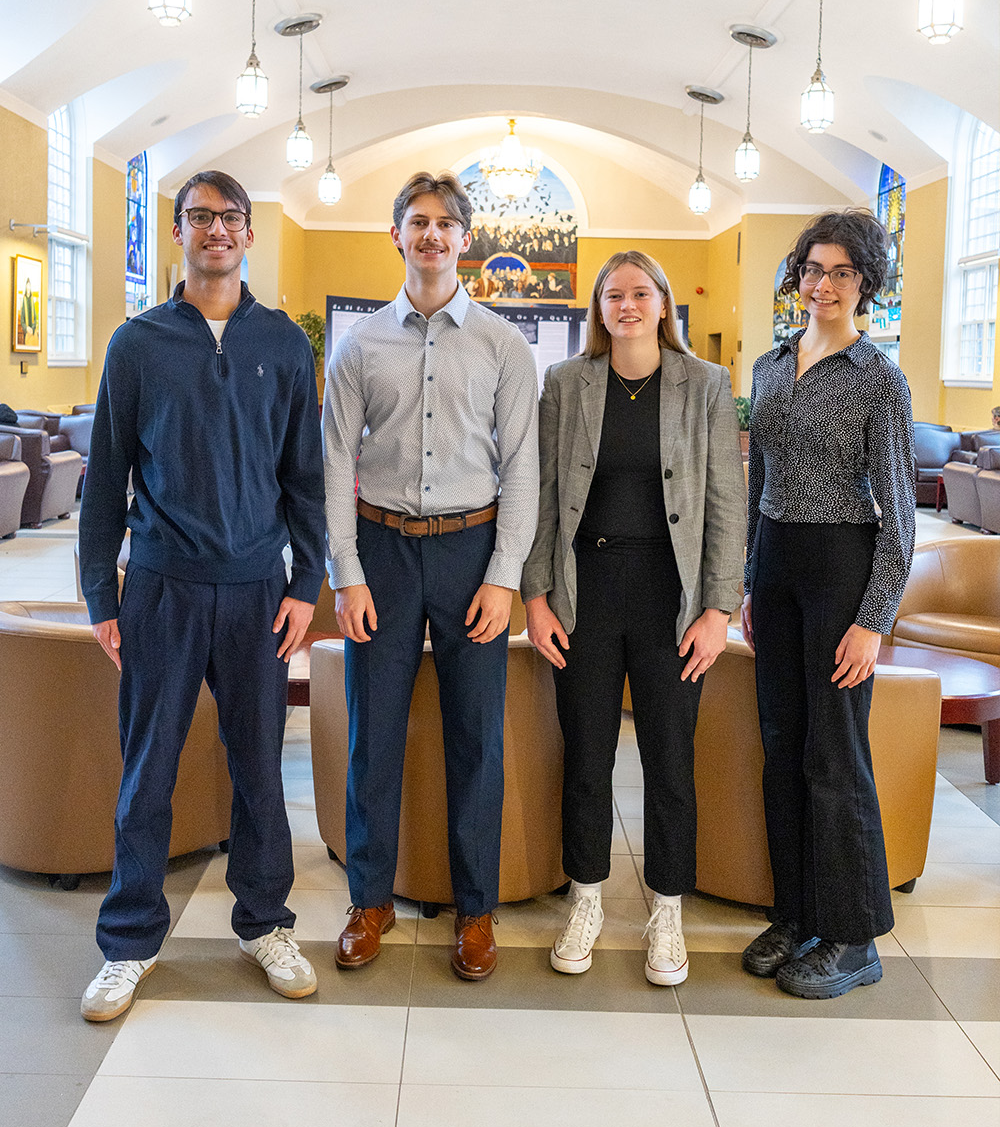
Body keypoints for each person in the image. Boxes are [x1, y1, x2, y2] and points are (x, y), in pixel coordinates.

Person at [78, 170, 326, 1022]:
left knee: (260, 771)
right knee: (147, 773)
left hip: (257, 591)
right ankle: (129, 941)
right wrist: (97, 595)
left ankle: (265, 923)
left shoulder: (286, 346)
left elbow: (306, 482)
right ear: (180, 231)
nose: (216, 230)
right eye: (199, 217)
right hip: (160, 591)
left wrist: (307, 584)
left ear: (250, 234)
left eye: (230, 218)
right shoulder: (137, 345)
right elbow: (106, 480)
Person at [324, 171, 539, 980]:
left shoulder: (501, 345)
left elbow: (522, 467)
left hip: (470, 555)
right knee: (372, 731)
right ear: (397, 236)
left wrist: (504, 575)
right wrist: (347, 572)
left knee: (476, 738)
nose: (432, 236)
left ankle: (475, 910)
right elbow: (335, 459)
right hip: (380, 551)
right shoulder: (359, 347)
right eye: (418, 222)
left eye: (447, 223)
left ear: (466, 238)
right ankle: (369, 899)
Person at [521, 251, 746, 984]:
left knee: (669, 760)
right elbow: (544, 495)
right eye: (613, 294)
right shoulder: (565, 383)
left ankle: (667, 909)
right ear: (597, 307)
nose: (626, 305)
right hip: (584, 592)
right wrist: (535, 595)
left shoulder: (706, 385)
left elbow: (724, 502)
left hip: (670, 598)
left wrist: (719, 608)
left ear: (662, 303)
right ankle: (585, 898)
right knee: (585, 756)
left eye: (639, 293)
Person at [740, 209, 916, 1000]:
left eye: (843, 271)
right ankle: (798, 912)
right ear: (797, 277)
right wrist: (747, 579)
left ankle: (854, 936)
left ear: (865, 283)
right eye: (813, 268)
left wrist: (873, 621)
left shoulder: (879, 378)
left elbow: (901, 514)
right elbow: (757, 482)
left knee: (835, 755)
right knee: (782, 746)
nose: (824, 284)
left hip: (841, 568)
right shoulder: (771, 367)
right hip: (775, 569)